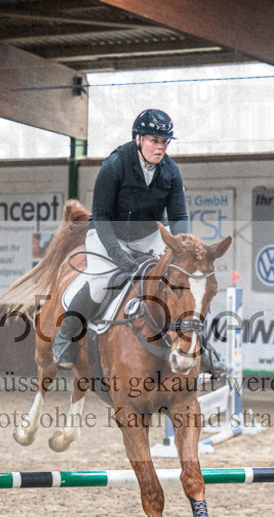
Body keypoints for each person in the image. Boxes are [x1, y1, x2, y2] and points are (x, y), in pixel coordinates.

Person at [53, 109, 226, 377]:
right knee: (100, 284)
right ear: (137, 139)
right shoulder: (114, 166)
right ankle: (65, 335)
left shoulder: (170, 171)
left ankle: (198, 344)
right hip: (108, 233)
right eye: (154, 140)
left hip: (149, 235)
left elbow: (178, 215)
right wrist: (116, 253)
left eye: (164, 142)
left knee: (180, 282)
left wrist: (183, 251)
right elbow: (100, 216)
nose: (160, 147)